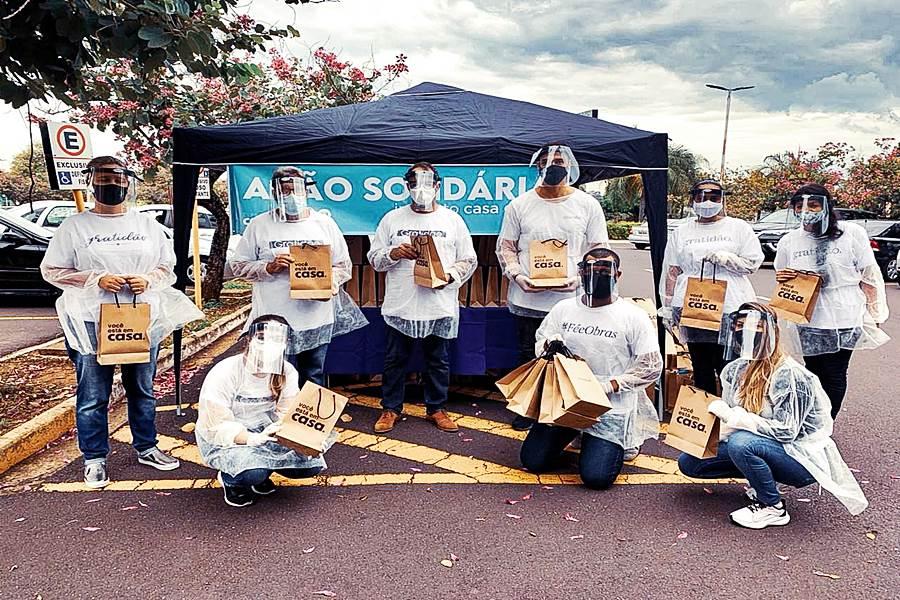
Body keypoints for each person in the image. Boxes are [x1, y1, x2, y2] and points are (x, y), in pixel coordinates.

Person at [40, 156, 203, 489]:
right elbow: (52, 270)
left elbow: (166, 268)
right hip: (91, 322)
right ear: (91, 181)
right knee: (93, 393)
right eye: (102, 177)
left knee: (141, 389)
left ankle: (146, 446)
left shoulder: (147, 226)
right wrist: (94, 279)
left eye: (116, 178)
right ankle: (95, 458)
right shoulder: (74, 226)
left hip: (139, 318)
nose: (110, 184)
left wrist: (149, 280)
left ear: (128, 182)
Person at [678, 303, 868, 529]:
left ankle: (772, 507)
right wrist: (713, 430)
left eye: (756, 326)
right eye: (740, 325)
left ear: (771, 332)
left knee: (742, 444)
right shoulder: (736, 369)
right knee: (690, 463)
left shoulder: (789, 375)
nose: (746, 332)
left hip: (802, 457)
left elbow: (787, 431)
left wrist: (736, 419)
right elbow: (732, 416)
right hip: (766, 446)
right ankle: (759, 480)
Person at [520, 248, 662, 489]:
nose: (597, 274)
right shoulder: (564, 309)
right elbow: (540, 340)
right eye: (590, 269)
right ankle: (575, 434)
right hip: (567, 399)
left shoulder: (632, 316)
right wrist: (549, 345)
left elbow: (651, 366)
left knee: (596, 478)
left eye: (605, 269)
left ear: (618, 275)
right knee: (533, 460)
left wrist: (610, 386)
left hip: (610, 406)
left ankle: (620, 441)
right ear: (581, 273)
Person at [497, 143, 609, 432]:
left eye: (558, 160)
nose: (552, 166)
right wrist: (516, 274)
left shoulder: (587, 204)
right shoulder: (519, 205)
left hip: (572, 296)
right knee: (528, 353)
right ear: (537, 167)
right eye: (545, 161)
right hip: (528, 296)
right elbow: (506, 247)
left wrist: (583, 278)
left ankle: (566, 407)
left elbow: (598, 248)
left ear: (570, 165)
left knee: (571, 353)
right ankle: (529, 407)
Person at [229, 166, 366, 389]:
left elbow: (342, 265)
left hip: (315, 316)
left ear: (306, 192)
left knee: (313, 375)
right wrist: (269, 267)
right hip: (272, 317)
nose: (292, 195)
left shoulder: (324, 224)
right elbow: (238, 266)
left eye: (297, 189)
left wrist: (328, 283)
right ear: (274, 194)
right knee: (271, 376)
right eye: (285, 190)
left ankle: (309, 421)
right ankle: (274, 421)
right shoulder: (259, 225)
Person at [367, 162, 477, 434]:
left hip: (438, 302)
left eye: (428, 184)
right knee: (395, 359)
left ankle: (437, 408)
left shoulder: (452, 220)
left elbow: (468, 259)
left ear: (438, 187)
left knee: (438, 360)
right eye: (415, 184)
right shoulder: (392, 219)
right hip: (401, 304)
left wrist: (449, 276)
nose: (421, 190)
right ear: (407, 187)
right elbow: (374, 259)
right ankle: (391, 408)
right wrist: (394, 253)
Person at [774, 183, 889, 418]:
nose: (806, 210)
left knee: (835, 373)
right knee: (813, 371)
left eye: (813, 204)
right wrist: (784, 277)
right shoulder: (790, 240)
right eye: (800, 206)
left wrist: (875, 312)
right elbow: (782, 273)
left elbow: (869, 275)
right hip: (808, 315)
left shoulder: (851, 234)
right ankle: (812, 417)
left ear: (827, 205)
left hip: (844, 312)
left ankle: (826, 423)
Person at [196, 315, 332, 507]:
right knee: (252, 473)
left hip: (267, 429)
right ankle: (232, 480)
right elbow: (215, 424)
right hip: (230, 435)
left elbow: (289, 413)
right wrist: (250, 439)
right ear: (248, 339)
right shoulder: (225, 371)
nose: (268, 344)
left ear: (286, 344)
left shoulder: (287, 371)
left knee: (309, 466)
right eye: (261, 337)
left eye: (276, 339)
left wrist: (310, 439)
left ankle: (260, 470)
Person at [660, 179, 764, 395]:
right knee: (701, 367)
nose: (707, 201)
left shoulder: (738, 228)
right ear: (693, 199)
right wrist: (668, 306)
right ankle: (706, 418)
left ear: (722, 199)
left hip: (730, 308)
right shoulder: (682, 231)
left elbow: (753, 263)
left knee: (731, 367)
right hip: (695, 306)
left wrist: (728, 259)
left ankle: (732, 418)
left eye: (713, 196)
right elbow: (672, 270)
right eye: (700, 196)